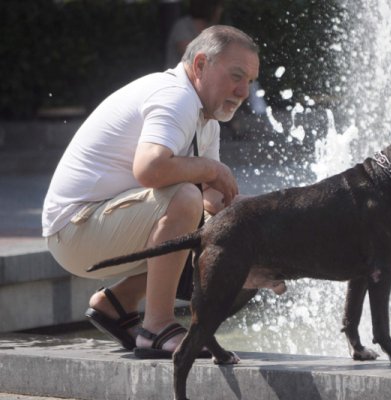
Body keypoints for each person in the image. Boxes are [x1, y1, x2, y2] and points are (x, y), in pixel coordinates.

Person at [42, 25, 260, 358]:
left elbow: (212, 201)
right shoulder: (176, 96)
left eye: (250, 82)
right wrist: (213, 170)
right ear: (200, 64)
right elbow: (150, 168)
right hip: (74, 229)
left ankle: (117, 304)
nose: (243, 91)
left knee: (226, 231)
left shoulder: (207, 119)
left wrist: (262, 224)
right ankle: (157, 327)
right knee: (183, 198)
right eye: (236, 76)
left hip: (95, 227)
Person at [165, 0, 224, 69]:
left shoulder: (213, 30)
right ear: (211, 8)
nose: (221, 11)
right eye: (219, 7)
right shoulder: (183, 26)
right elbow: (193, 56)